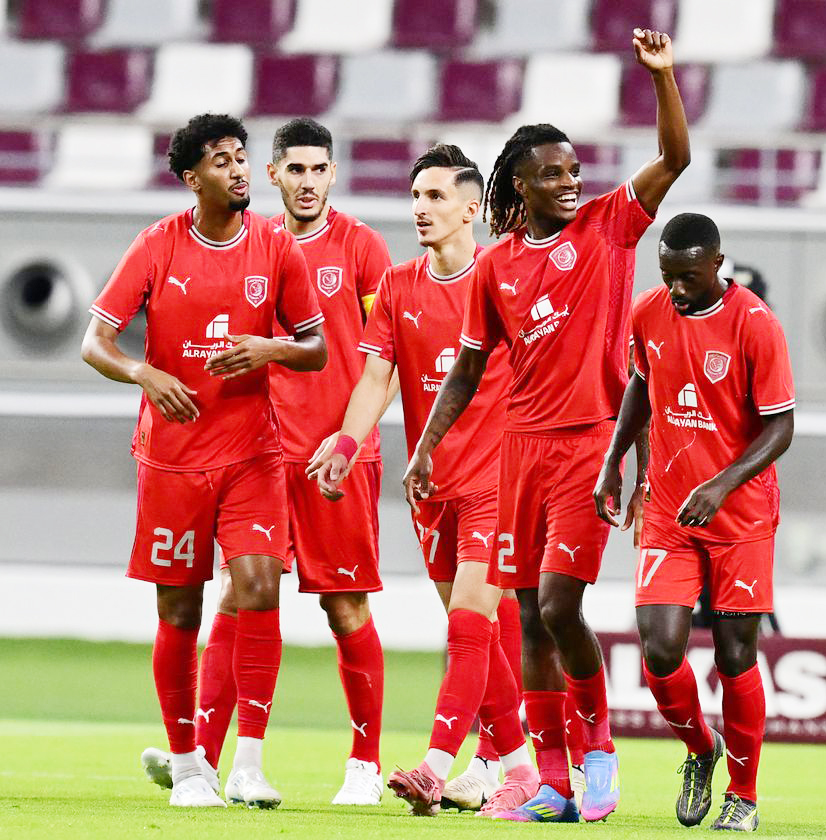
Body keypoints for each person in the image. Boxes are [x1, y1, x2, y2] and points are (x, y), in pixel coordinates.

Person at [401, 27, 691, 824]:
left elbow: (674, 160)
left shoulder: (607, 226)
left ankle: (599, 751)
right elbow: (465, 370)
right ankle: (553, 781)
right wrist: (425, 448)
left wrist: (662, 78)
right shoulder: (494, 266)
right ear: (518, 187)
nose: (570, 182)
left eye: (573, 170)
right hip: (516, 449)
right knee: (527, 612)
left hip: (589, 445)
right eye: (552, 174)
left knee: (561, 606)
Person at [139, 118, 394, 805]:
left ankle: (363, 764)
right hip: (261, 452)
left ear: (333, 175)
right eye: (296, 170)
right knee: (242, 594)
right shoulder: (253, 242)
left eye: (320, 170)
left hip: (337, 453)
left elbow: (383, 356)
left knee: (344, 606)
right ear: (274, 176)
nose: (307, 182)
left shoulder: (362, 246)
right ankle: (207, 757)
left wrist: (348, 438)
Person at [80, 113, 327, 808]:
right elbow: (94, 341)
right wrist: (143, 374)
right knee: (181, 611)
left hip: (253, 450)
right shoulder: (157, 245)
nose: (241, 169)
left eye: (243, 157)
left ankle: (248, 763)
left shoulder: (277, 248)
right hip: (173, 461)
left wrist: (269, 348)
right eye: (223, 160)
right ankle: (188, 766)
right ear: (194, 179)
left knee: (260, 585)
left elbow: (318, 347)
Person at [314, 143, 538, 816]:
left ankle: (436, 764)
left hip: (498, 480)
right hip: (431, 484)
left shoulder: (503, 280)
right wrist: (350, 440)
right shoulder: (400, 288)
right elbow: (377, 376)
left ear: (472, 208)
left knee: (471, 615)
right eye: (415, 196)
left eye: (436, 196)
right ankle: (522, 767)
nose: (421, 208)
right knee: (480, 630)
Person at [593, 213, 795, 832]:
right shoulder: (649, 311)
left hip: (740, 514)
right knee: (658, 648)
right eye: (667, 276)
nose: (676, 290)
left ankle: (745, 792)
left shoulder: (756, 325)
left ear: (716, 263)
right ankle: (700, 749)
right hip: (669, 510)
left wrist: (721, 484)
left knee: (736, 657)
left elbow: (781, 427)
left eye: (687, 277)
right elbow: (639, 387)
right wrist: (614, 463)